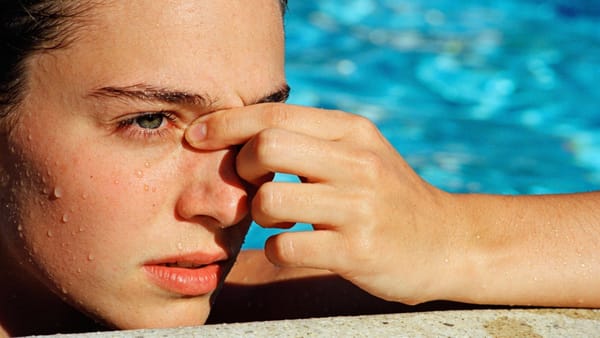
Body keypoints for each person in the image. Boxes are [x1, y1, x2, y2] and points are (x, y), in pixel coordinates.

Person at [1, 0, 599, 336]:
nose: (233, 202)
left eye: (259, 123)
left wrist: (452, 237)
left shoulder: (249, 300)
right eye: (151, 121)